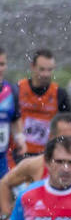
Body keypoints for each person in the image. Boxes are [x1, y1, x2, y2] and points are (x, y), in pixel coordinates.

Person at [0, 113, 71, 216]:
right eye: (65, 137)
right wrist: (5, 217)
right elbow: (4, 184)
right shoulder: (35, 164)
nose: (70, 142)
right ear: (52, 136)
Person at [16, 49, 71, 159]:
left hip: (46, 155)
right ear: (32, 66)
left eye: (49, 70)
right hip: (19, 152)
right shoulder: (18, 89)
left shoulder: (59, 94)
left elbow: (68, 127)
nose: (45, 74)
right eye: (42, 69)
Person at [0, 47, 19, 178]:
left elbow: (16, 118)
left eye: (2, 64)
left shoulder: (11, 90)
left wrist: (20, 138)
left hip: (2, 156)